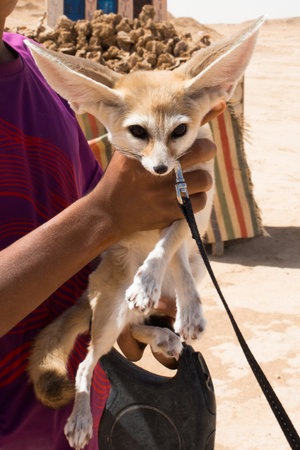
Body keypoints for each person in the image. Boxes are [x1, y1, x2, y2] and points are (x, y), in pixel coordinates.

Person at [0, 1, 217, 448]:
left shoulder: (43, 72)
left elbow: (114, 231)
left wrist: (139, 314)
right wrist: (105, 215)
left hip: (79, 423)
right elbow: (103, 215)